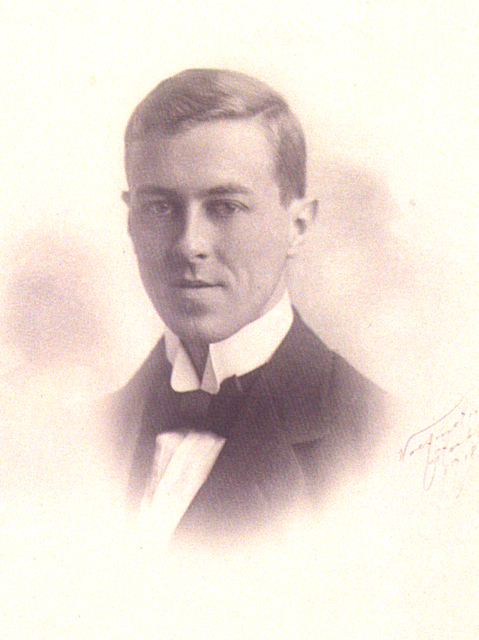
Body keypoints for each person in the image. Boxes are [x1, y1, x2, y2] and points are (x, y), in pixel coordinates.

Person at [109, 68, 387, 544]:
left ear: (298, 226)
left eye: (225, 207)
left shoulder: (380, 443)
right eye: (160, 207)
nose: (190, 244)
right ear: (130, 220)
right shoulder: (77, 440)